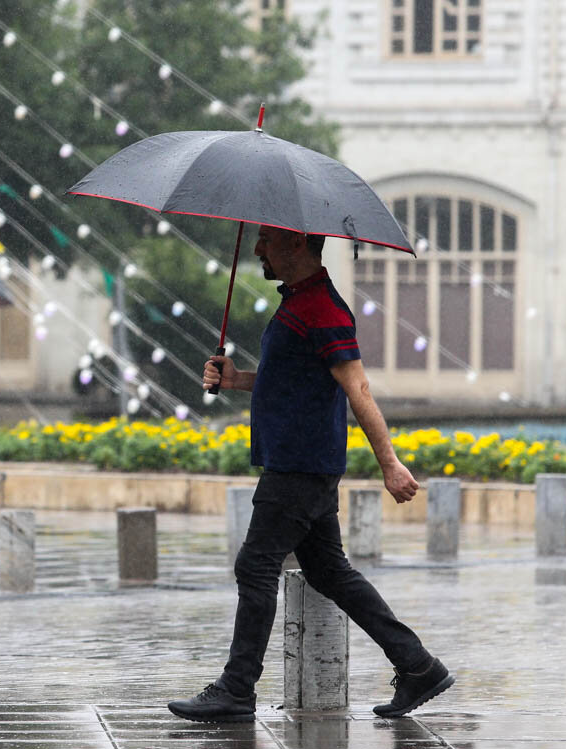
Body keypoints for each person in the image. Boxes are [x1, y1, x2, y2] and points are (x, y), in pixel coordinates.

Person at [168, 225, 454, 722]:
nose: (258, 249)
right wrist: (238, 380)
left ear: (296, 245)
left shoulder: (322, 308)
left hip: (300, 466)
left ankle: (237, 689)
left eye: (267, 240)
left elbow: (357, 386)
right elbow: (295, 378)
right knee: (328, 571)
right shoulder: (300, 302)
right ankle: (418, 666)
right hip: (304, 462)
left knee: (255, 566)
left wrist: (390, 464)